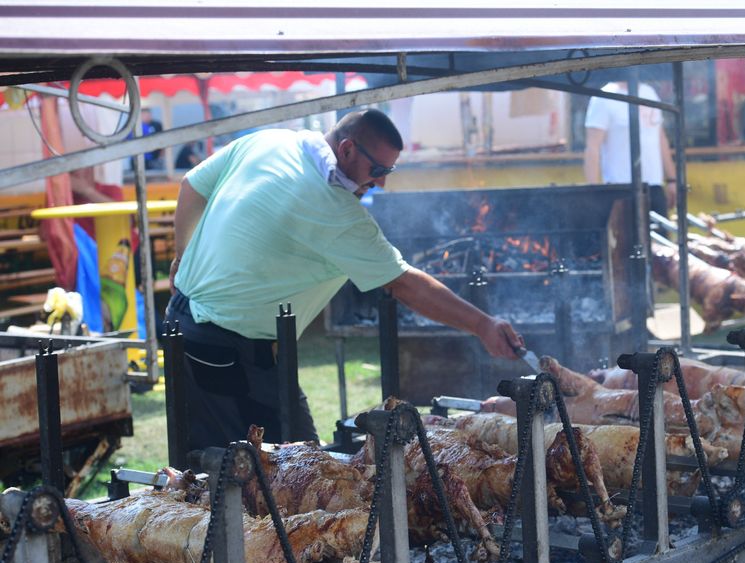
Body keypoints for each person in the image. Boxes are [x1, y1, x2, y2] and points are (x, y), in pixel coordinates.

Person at [168, 109, 525, 449]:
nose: (381, 181)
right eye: (378, 169)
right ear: (347, 149)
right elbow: (402, 283)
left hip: (195, 325)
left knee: (292, 461)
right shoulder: (331, 207)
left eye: (389, 170)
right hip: (224, 349)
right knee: (263, 473)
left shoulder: (269, 141)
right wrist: (482, 324)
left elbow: (192, 186)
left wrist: (183, 258)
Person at [583, 81, 676, 218]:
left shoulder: (649, 92)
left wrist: (672, 180)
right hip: (620, 189)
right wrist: (594, 193)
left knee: (661, 231)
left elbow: (660, 138)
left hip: (654, 187)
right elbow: (592, 146)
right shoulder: (604, 97)